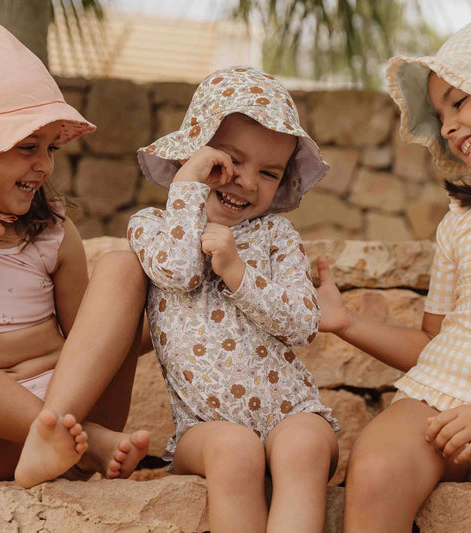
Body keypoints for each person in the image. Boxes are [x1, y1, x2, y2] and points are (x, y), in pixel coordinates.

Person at [315, 10, 471, 533]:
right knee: (377, 465)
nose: (446, 126)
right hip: (440, 400)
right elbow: (434, 343)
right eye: (439, 113)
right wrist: (347, 323)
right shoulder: (462, 223)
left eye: (458, 100)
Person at [128, 66, 340, 533]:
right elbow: (176, 273)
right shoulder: (152, 226)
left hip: (290, 411)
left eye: (269, 172)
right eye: (229, 160)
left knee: (304, 445)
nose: (245, 180)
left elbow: (304, 322)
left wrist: (239, 273)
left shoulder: (276, 234)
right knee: (235, 448)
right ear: (195, 153)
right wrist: (188, 185)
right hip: (203, 428)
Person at [0, 21, 151, 489]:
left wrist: (166, 315)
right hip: (0, 433)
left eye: (50, 148)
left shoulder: (52, 234)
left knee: (122, 267)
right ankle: (77, 444)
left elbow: (91, 340)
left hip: (71, 403)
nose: (44, 165)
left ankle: (60, 435)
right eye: (26, 147)